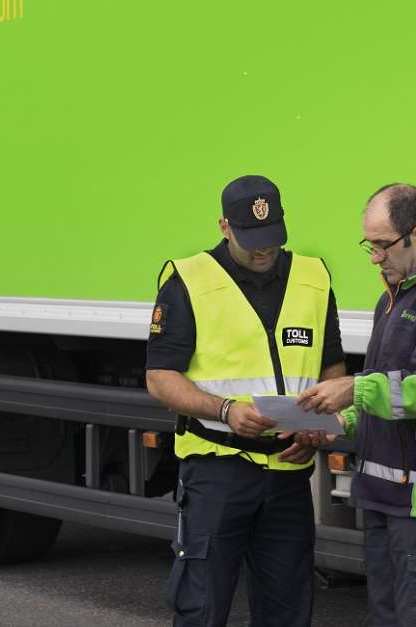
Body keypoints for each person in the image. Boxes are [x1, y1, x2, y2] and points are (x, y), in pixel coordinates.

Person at [146, 174, 347, 627]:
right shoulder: (188, 281)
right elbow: (159, 378)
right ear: (224, 226)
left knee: (288, 610)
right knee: (202, 607)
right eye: (251, 240)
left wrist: (317, 424)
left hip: (289, 474)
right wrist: (225, 410)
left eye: (272, 238)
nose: (263, 250)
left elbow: (332, 367)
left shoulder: (313, 278)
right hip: (218, 471)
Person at [297, 184, 416, 627]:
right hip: (387, 500)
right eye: (370, 245)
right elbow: (389, 389)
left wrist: (356, 390)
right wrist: (339, 423)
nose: (374, 257)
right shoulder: (396, 295)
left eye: (382, 245)